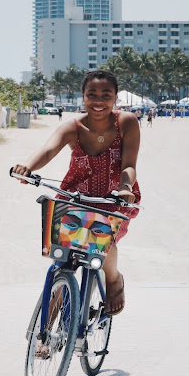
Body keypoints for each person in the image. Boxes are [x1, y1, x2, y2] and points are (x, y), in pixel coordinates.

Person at [13, 70, 141, 316]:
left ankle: (113, 278)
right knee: (61, 263)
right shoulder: (73, 127)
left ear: (115, 98)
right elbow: (48, 150)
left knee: (105, 242)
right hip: (74, 198)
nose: (98, 101)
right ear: (83, 97)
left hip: (113, 198)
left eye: (106, 95)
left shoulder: (127, 122)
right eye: (91, 94)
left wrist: (125, 188)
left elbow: (129, 165)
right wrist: (27, 167)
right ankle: (46, 331)